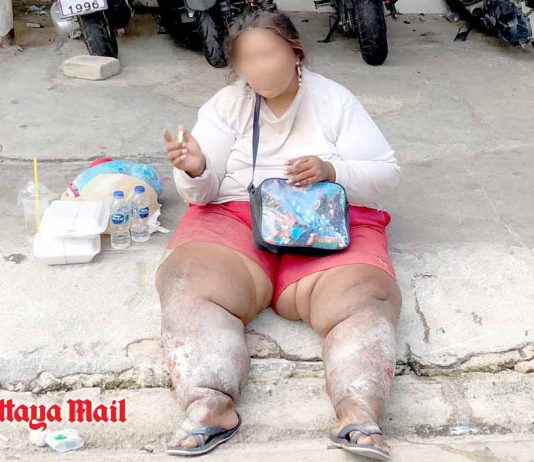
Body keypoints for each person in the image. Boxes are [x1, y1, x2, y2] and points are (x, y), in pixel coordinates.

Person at [156, 9, 402, 460]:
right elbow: (202, 193)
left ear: (296, 53)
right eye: (247, 60)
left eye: (269, 54)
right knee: (187, 279)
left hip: (324, 218)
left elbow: (386, 174)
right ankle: (210, 402)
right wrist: (195, 168)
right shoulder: (226, 105)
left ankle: (358, 410)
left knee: (364, 296)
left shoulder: (334, 101)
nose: (260, 68)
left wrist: (332, 171)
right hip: (238, 212)